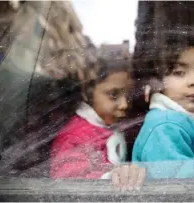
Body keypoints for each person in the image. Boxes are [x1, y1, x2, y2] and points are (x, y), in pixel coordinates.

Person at [50, 58, 145, 191]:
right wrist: (109, 178)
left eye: (128, 95)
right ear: (86, 92)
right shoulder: (73, 138)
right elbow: (70, 182)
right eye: (113, 94)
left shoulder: (112, 124)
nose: (125, 104)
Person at [132, 36, 194, 179]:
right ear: (157, 83)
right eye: (179, 73)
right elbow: (182, 191)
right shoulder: (166, 126)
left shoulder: (180, 121)